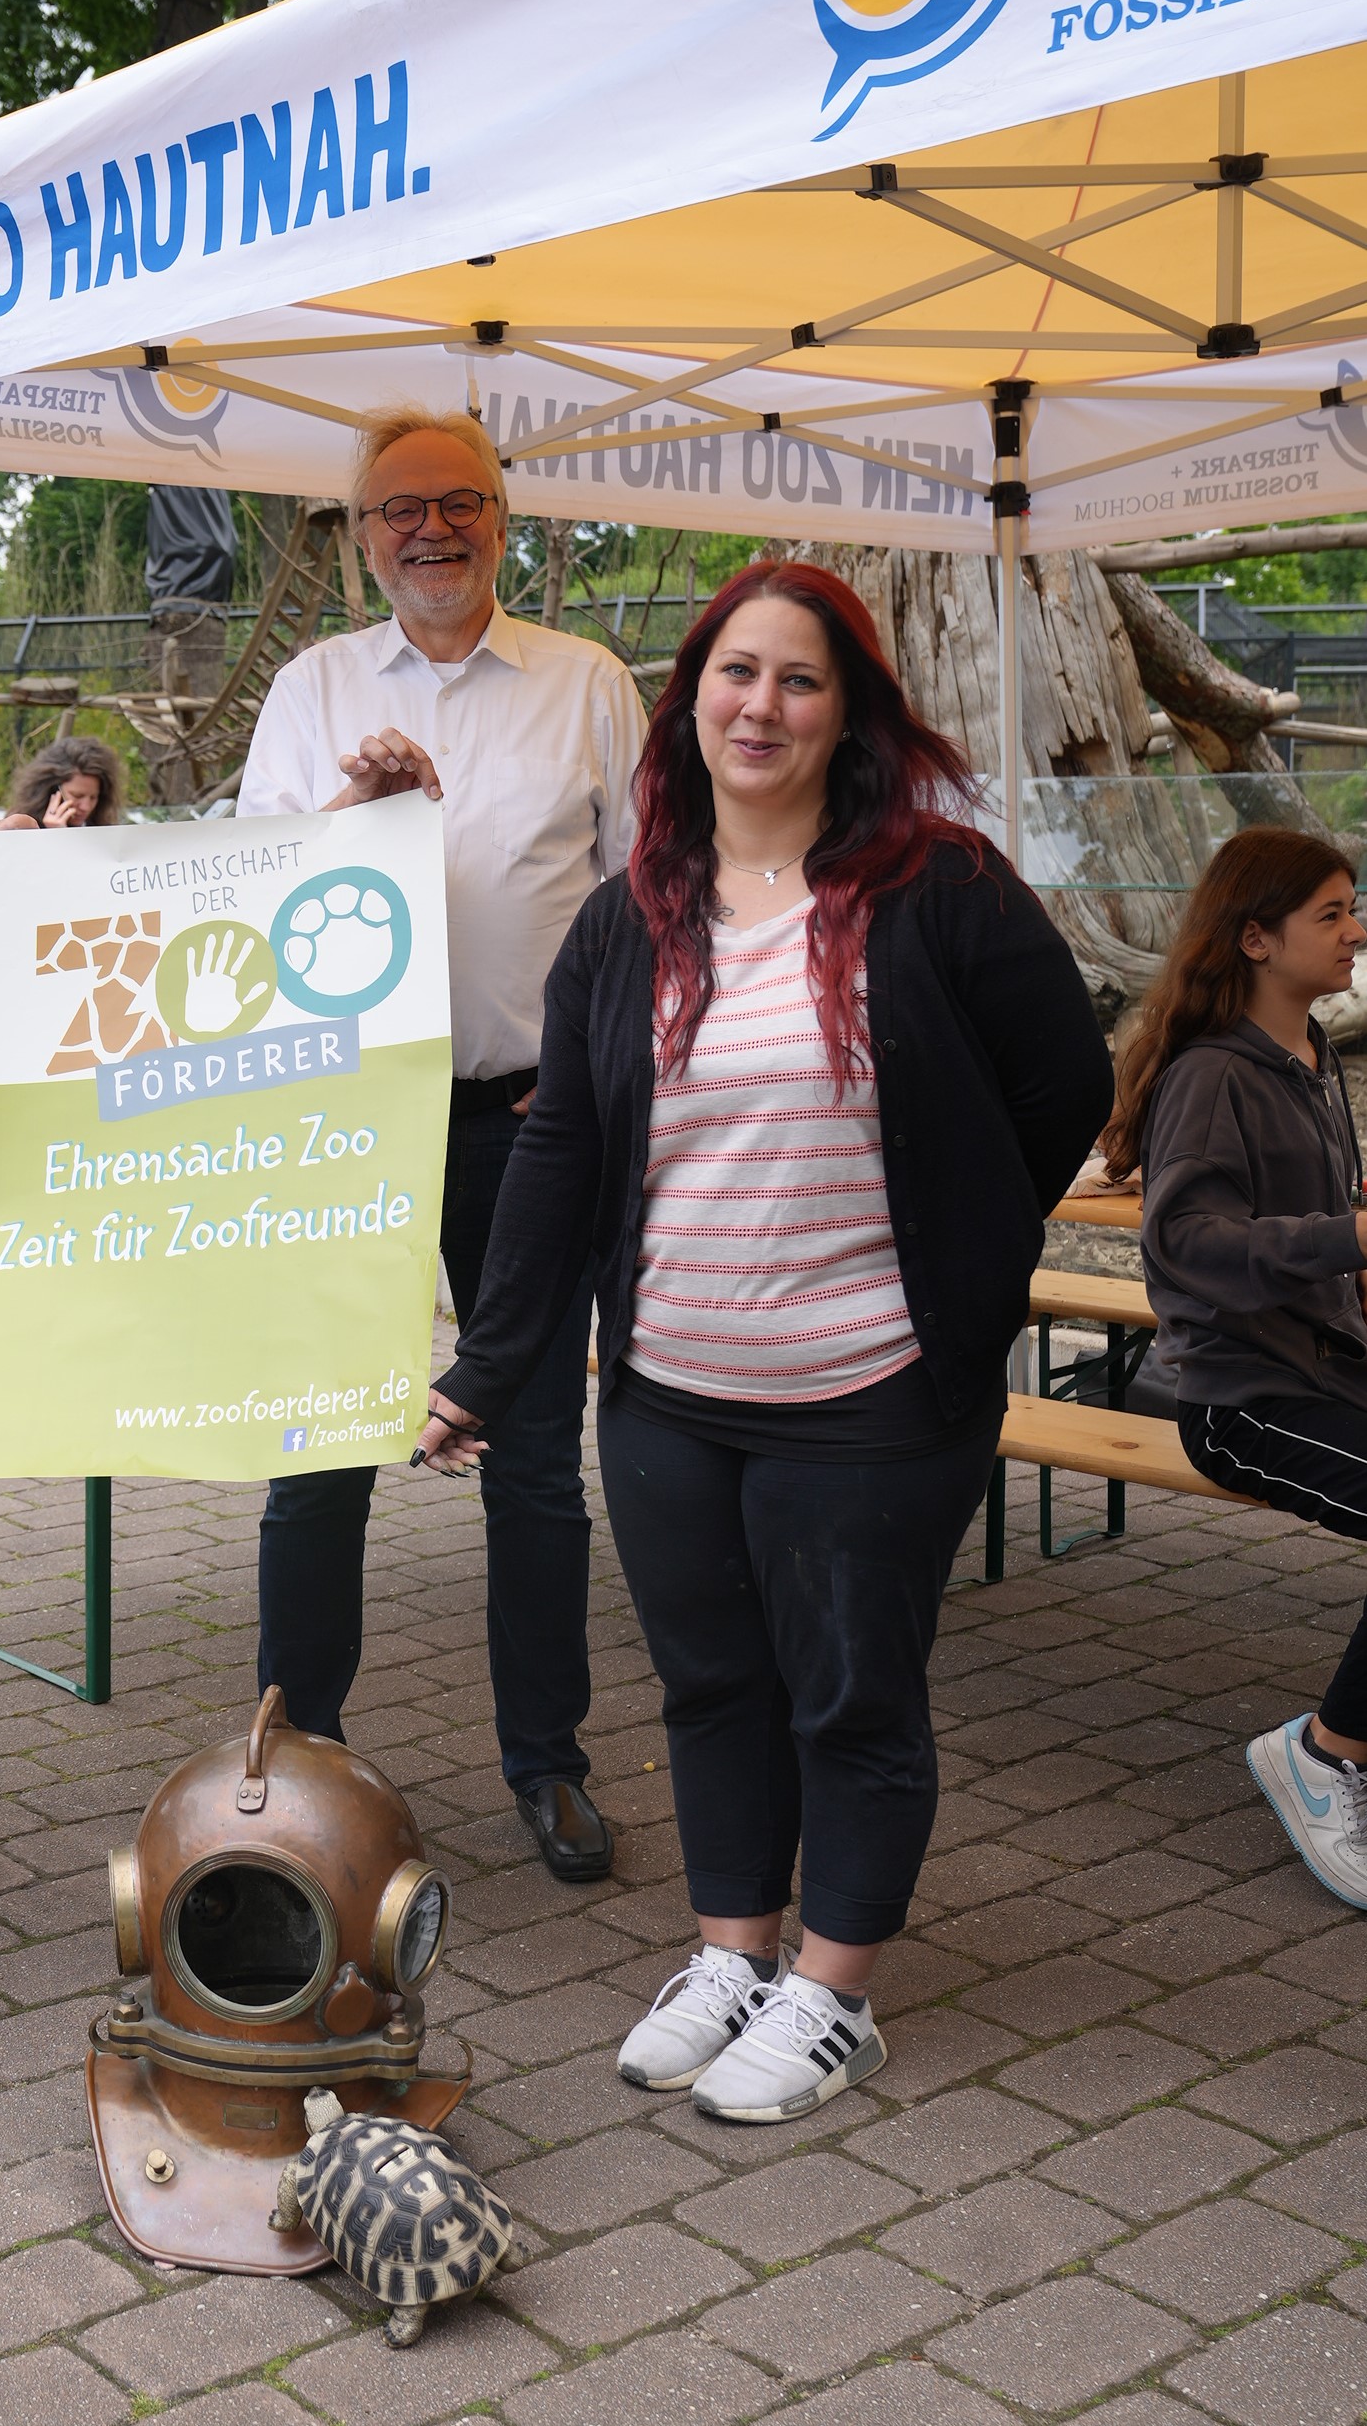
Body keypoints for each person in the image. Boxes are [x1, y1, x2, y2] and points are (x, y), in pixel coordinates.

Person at [420, 561, 1110, 2120]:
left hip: (871, 1395)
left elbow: (1063, 1084)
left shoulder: (943, 889)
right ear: (690, 700)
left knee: (851, 1692)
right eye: (736, 672)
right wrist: (488, 1366)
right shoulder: (627, 920)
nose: (762, 705)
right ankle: (732, 1950)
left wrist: (965, 1247)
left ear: (848, 711)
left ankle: (832, 1986)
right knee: (706, 1681)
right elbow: (563, 1153)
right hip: (666, 1391)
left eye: (801, 679)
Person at [237, 405, 645, 1882]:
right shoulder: (312, 688)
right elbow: (259, 898)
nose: (430, 529)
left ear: (501, 517)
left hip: (528, 1121)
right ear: (360, 535)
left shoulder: (588, 683)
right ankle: (296, 1766)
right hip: (345, 1118)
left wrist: (595, 1076)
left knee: (533, 1461)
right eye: (397, 508)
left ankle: (546, 1761)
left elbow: (642, 904)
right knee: (322, 1452)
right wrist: (359, 806)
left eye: (457, 502)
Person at [1107, 825, 1367, 1910]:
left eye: (1353, 910)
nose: (1356, 932)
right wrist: (1350, 1235)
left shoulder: (1313, 1060)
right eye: (1331, 914)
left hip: (1322, 1376)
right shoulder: (1214, 1076)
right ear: (1254, 937)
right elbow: (1187, 1247)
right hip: (1239, 1400)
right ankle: (1323, 1754)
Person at [7, 735, 125, 828]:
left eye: (93, 797)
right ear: (53, 790)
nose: (86, 807)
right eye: (77, 796)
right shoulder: (21, 828)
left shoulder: (103, 833)